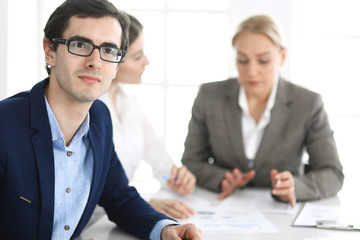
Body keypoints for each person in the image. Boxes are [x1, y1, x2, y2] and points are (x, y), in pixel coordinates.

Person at [0, 0, 202, 239]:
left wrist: (166, 228)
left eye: (108, 50)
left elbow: (119, 198)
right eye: (80, 44)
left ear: (117, 65)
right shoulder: (5, 124)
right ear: (50, 51)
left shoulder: (99, 118)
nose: (95, 61)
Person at [181, 14, 344, 207]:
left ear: (282, 57)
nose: (251, 71)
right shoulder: (210, 96)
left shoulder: (308, 103)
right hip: (221, 208)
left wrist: (296, 187)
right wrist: (222, 178)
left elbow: (332, 173)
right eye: (242, 60)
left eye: (263, 61)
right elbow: (191, 162)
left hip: (281, 215)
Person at [99, 13, 196, 219]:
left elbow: (159, 160)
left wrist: (175, 178)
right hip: (95, 221)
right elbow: (90, 189)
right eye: (137, 56)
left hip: (116, 221)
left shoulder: (130, 103)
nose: (147, 62)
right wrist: (144, 201)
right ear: (113, 60)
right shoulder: (90, 109)